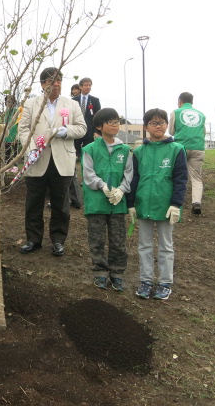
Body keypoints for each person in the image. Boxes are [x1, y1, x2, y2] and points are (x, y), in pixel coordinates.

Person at [18, 67, 86, 256]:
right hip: (37, 159)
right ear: (42, 84)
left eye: (59, 80)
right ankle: (33, 239)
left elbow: (82, 128)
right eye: (51, 81)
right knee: (33, 202)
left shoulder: (71, 104)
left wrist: (67, 131)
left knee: (61, 203)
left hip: (62, 160)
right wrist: (31, 149)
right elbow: (23, 130)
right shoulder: (31, 104)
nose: (56, 84)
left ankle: (58, 240)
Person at [127, 109, 188, 300]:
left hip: (165, 206)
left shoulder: (176, 149)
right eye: (153, 123)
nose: (158, 126)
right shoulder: (138, 152)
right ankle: (145, 280)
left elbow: (180, 179)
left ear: (166, 125)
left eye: (161, 122)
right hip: (143, 204)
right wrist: (131, 204)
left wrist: (176, 204)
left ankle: (165, 282)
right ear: (146, 127)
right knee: (144, 245)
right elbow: (133, 179)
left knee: (165, 245)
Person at [81, 108, 133, 292]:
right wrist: (102, 185)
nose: (115, 125)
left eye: (117, 121)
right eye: (110, 122)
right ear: (99, 126)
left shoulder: (125, 150)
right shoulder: (90, 149)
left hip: (117, 204)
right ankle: (100, 273)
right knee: (97, 240)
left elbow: (129, 174)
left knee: (118, 240)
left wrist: (121, 190)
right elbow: (88, 174)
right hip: (96, 204)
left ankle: (117, 274)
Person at [168, 92, 206, 214]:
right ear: (192, 102)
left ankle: (175, 200)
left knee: (176, 174)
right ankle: (196, 203)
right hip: (198, 147)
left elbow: (171, 131)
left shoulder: (176, 112)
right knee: (196, 178)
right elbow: (204, 132)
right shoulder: (201, 115)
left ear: (180, 101)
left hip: (180, 148)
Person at [73, 77, 102, 153]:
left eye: (90, 85)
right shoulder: (73, 100)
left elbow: (98, 117)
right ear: (80, 87)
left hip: (90, 130)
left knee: (88, 152)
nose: (88, 87)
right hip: (76, 129)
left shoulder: (95, 100)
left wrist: (97, 131)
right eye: (86, 85)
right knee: (75, 152)